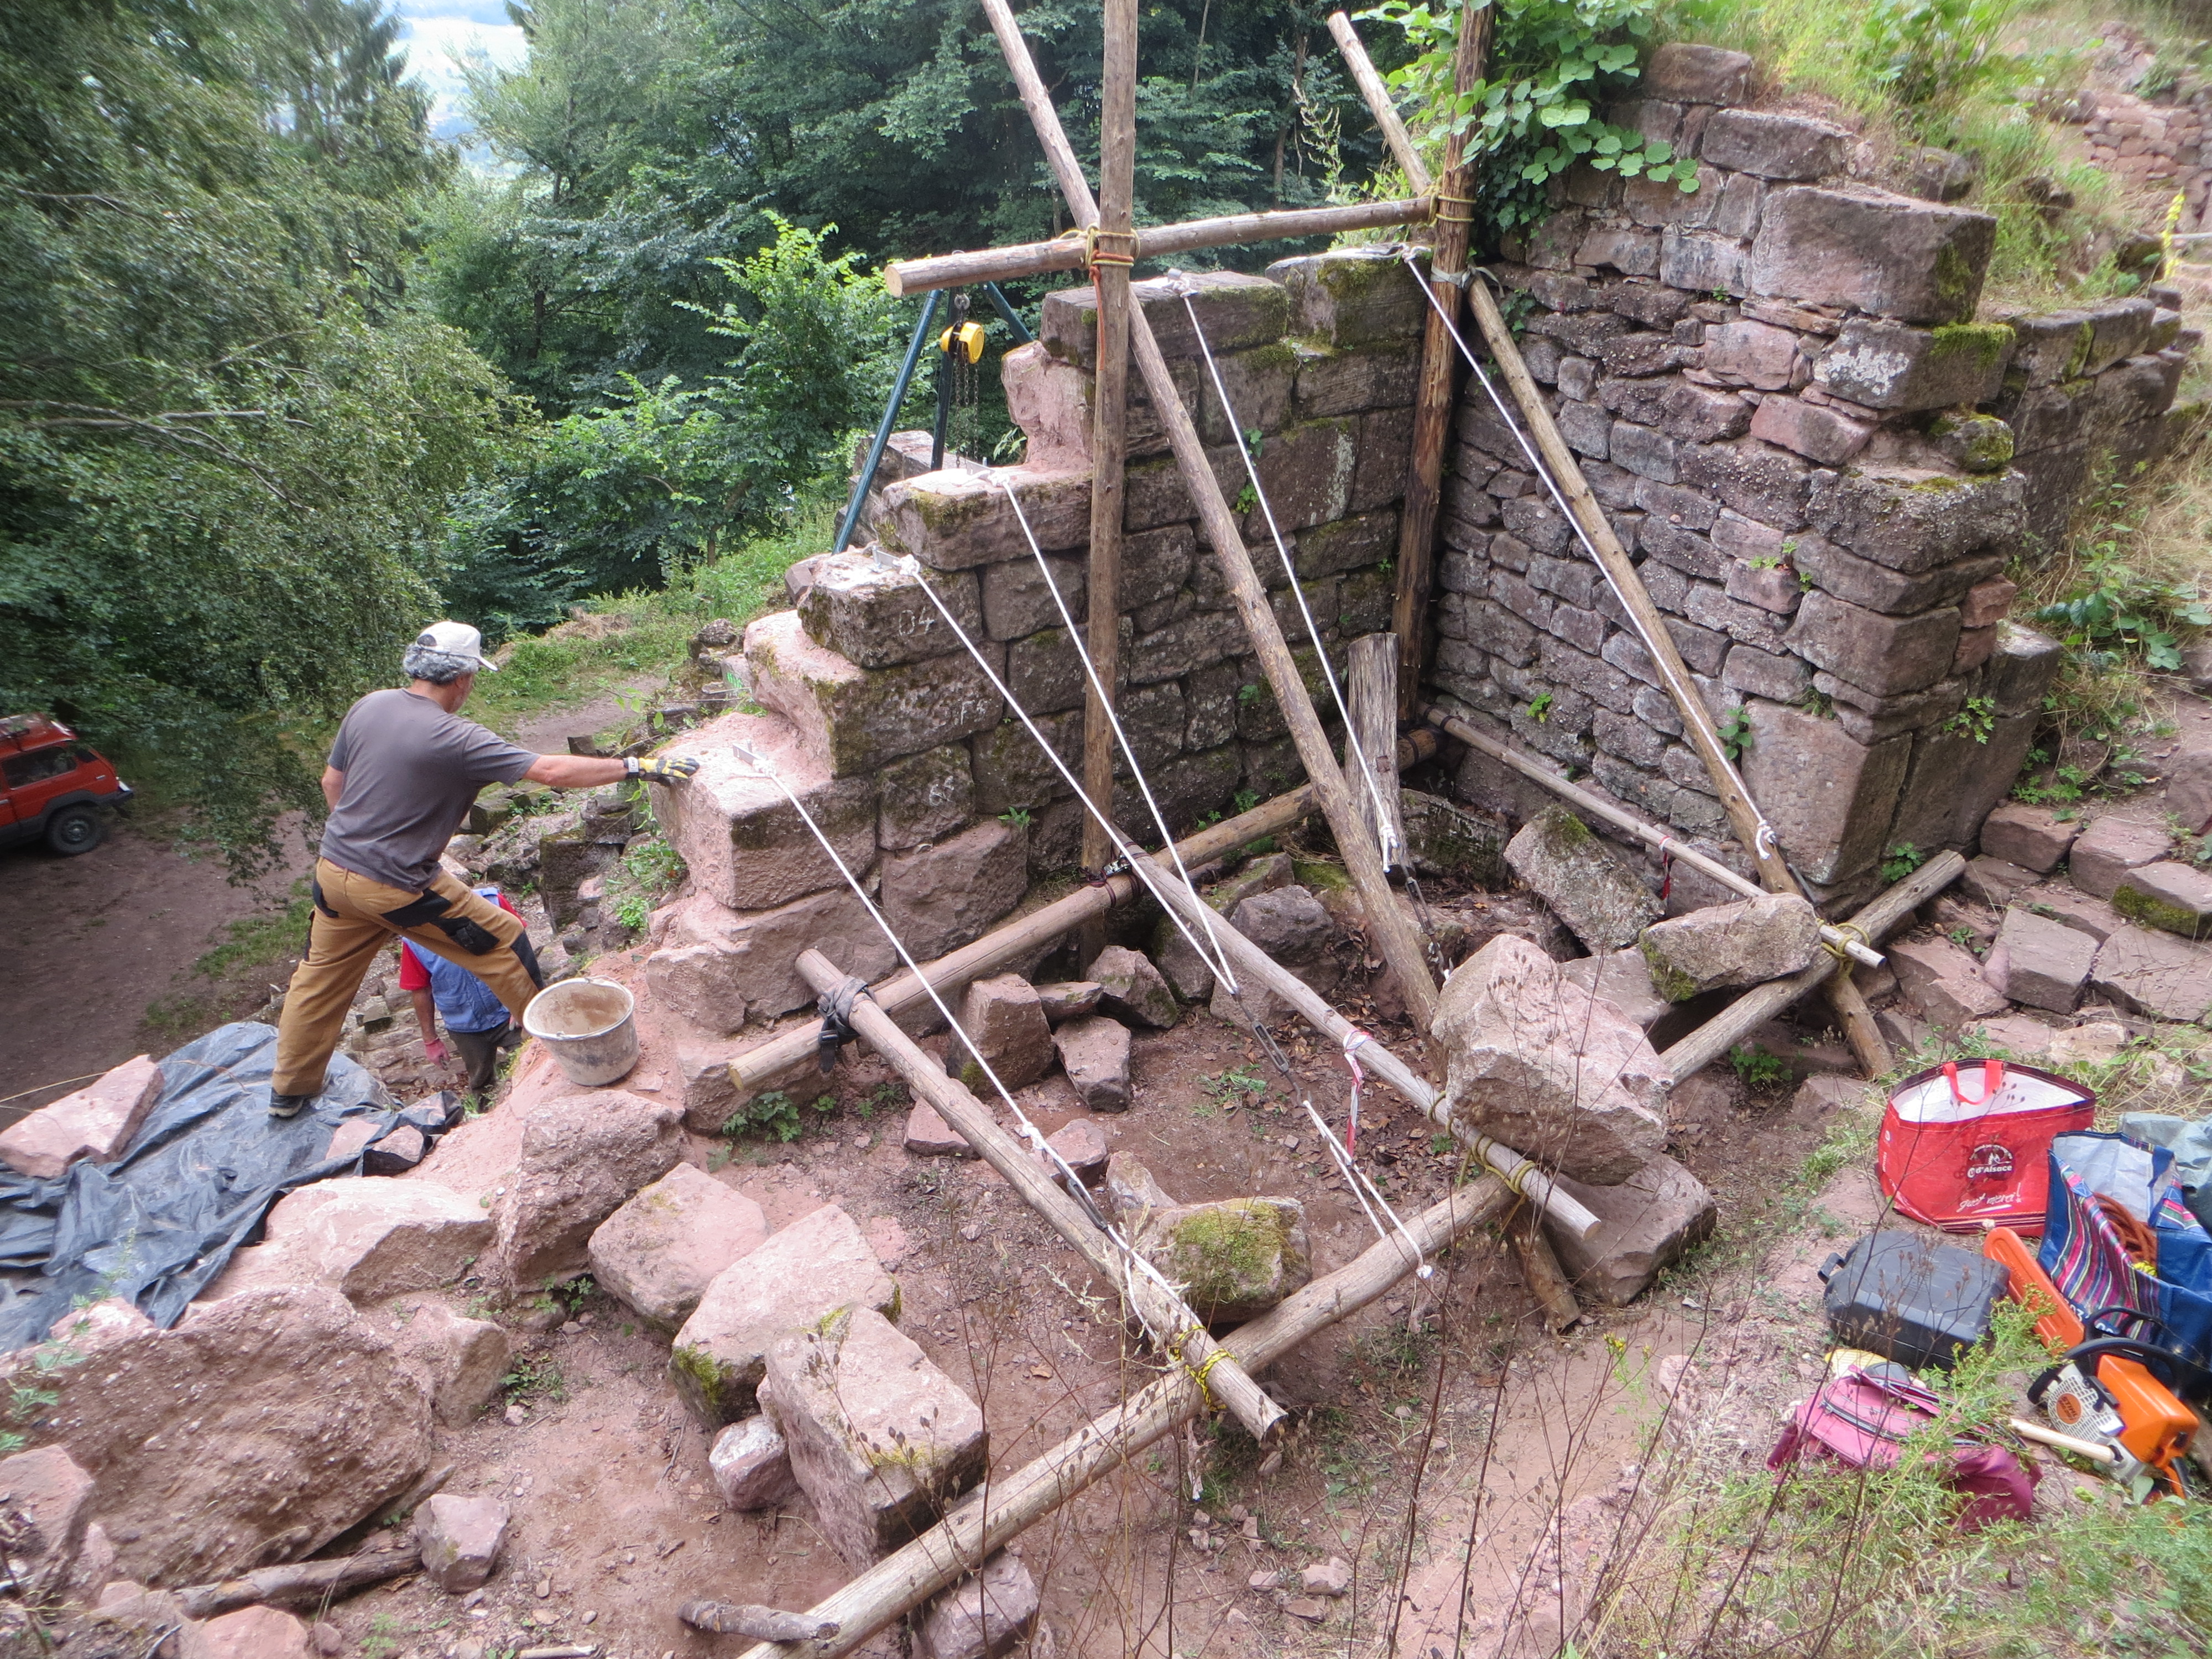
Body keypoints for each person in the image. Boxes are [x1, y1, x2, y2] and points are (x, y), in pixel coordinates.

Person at [269, 620, 698, 1117]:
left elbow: (332, 783)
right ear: (462, 678)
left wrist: (358, 842)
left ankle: (289, 1092)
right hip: (398, 885)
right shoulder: (457, 738)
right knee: (504, 942)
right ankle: (557, 1053)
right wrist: (639, 766)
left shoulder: (370, 706)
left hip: (333, 872)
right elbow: (550, 771)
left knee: (317, 980)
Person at [401, 882, 526, 1096]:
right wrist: (431, 1041)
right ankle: (485, 1115)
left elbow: (521, 947)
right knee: (481, 1084)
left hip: (509, 1013)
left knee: (530, 1065)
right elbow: (421, 991)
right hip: (466, 1026)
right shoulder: (415, 937)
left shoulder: (492, 903)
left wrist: (524, 1002)